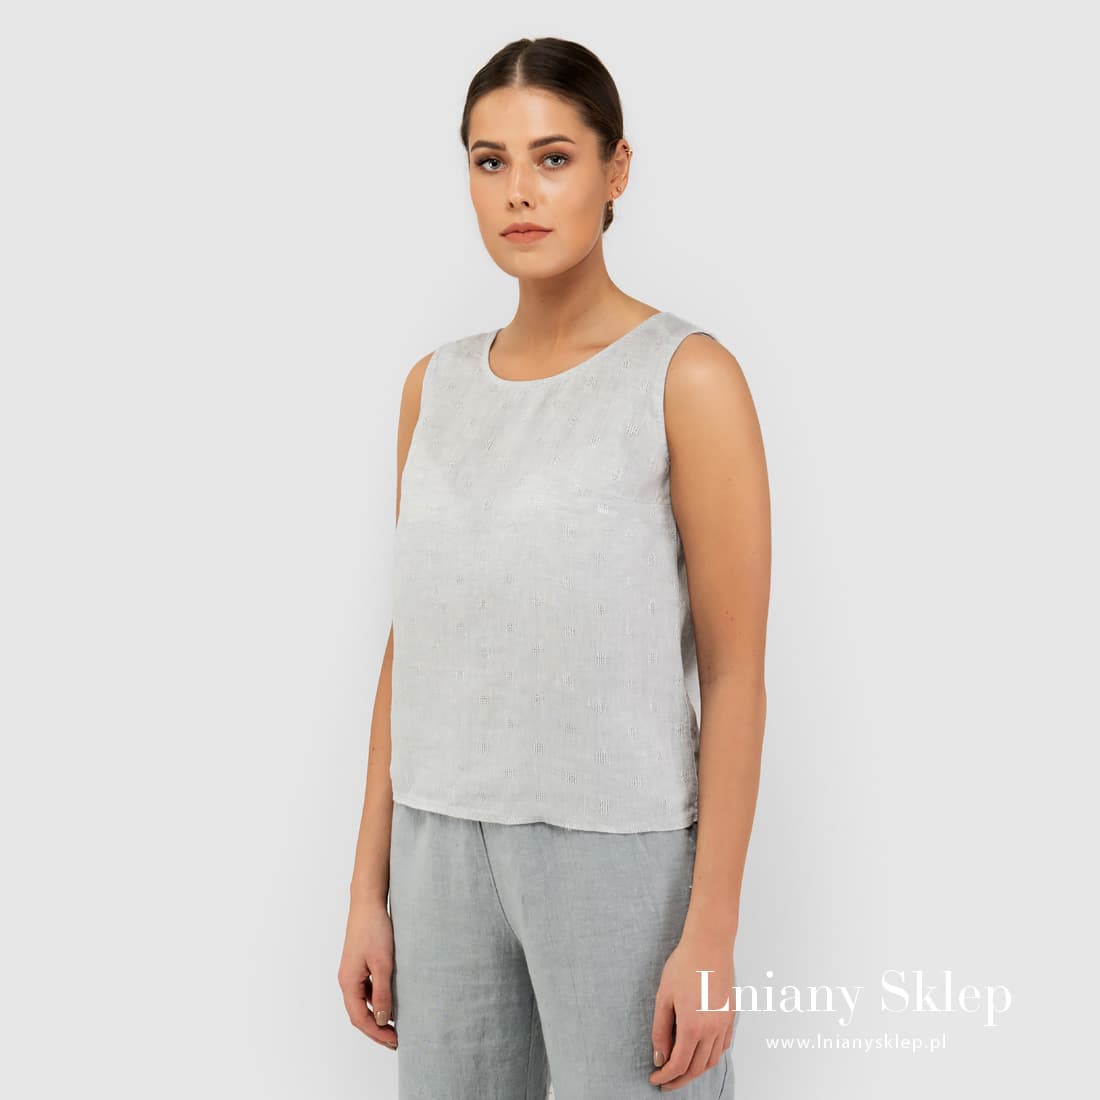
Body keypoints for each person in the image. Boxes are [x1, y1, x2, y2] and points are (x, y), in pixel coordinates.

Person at [338, 35, 771, 1100]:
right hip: (437, 848)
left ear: (616, 169)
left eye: (553, 158)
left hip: (616, 851)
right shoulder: (433, 386)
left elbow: (734, 675)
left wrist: (710, 933)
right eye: (489, 161)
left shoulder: (685, 377)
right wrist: (366, 891)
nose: (518, 192)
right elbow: (414, 641)